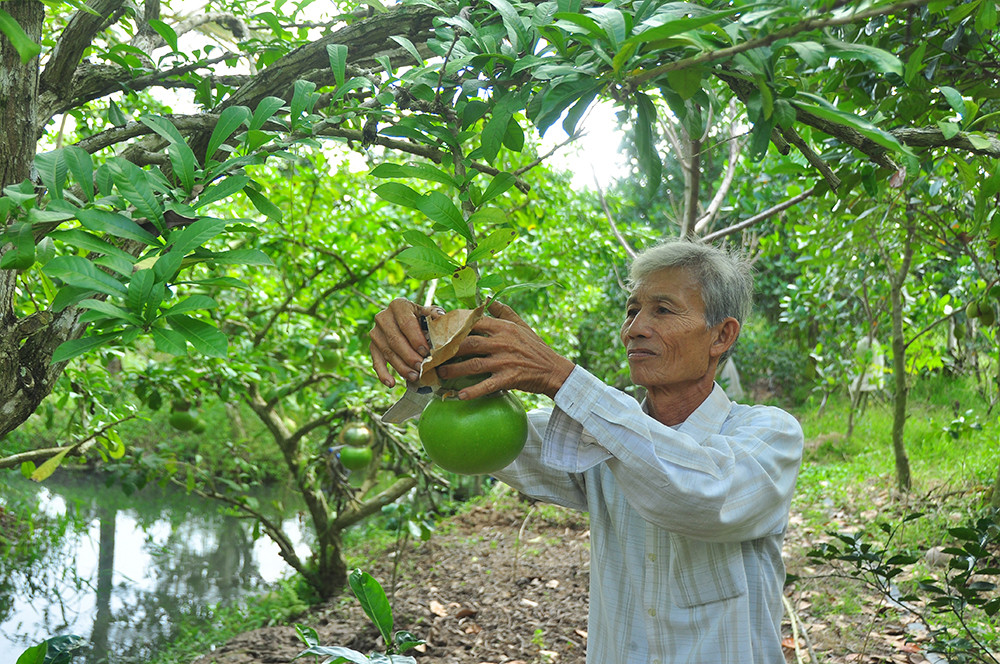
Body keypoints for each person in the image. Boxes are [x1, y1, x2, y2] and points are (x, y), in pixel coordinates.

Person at [368, 239, 804, 663]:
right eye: (632, 311)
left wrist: (559, 375)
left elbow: (701, 494)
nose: (634, 328)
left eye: (663, 310)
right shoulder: (599, 438)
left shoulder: (768, 434)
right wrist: (431, 353)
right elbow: (484, 440)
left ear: (721, 336)